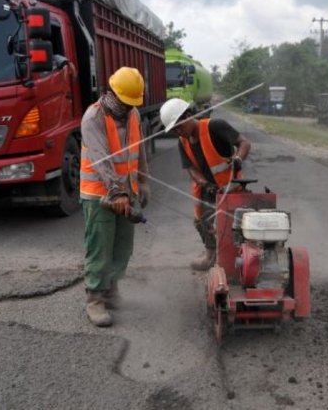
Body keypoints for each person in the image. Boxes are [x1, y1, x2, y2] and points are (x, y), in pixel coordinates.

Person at [79, 66, 150, 327]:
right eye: (125, 102)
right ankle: (95, 299)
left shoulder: (134, 114)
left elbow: (139, 148)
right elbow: (101, 160)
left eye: (133, 103)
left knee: (122, 248)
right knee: (100, 249)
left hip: (125, 193)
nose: (129, 108)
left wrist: (142, 181)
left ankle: (111, 290)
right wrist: (116, 191)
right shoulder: (93, 118)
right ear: (112, 93)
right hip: (99, 194)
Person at [159, 98, 251, 271]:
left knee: (233, 226)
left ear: (187, 116)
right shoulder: (183, 141)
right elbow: (191, 168)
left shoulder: (215, 126)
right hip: (209, 190)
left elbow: (244, 143)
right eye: (175, 130)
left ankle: (240, 256)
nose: (179, 132)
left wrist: (238, 158)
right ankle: (211, 255)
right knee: (202, 222)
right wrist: (205, 184)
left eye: (179, 126)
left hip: (232, 188)